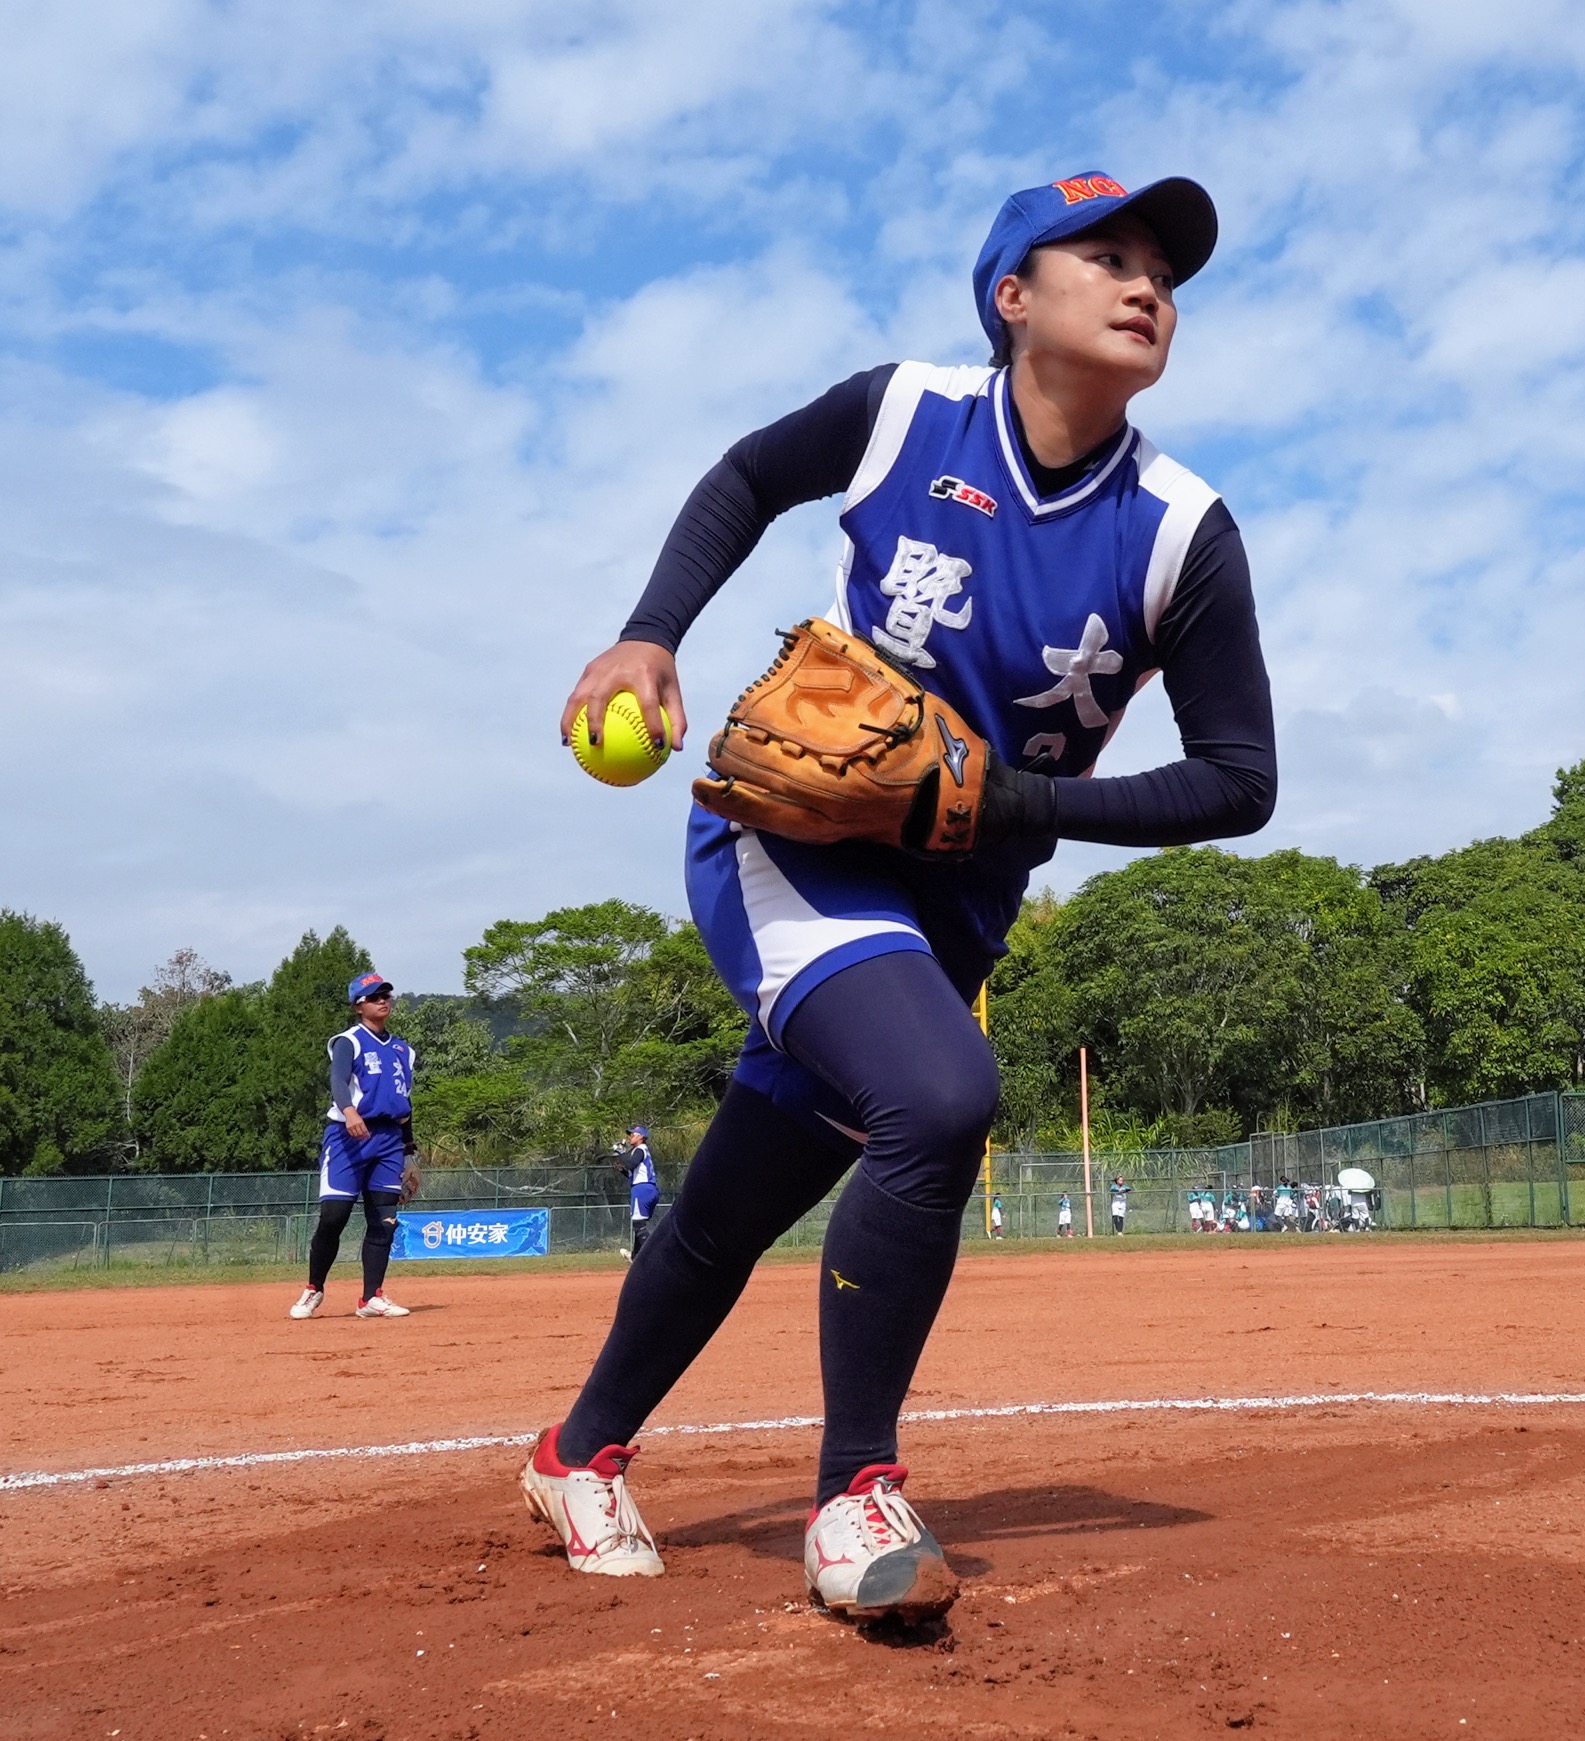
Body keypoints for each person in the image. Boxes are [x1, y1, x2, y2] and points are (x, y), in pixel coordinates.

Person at [519, 172, 1274, 1617]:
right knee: (937, 1096)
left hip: (954, 903)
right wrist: (646, 634)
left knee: (734, 1202)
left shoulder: (1180, 530)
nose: (1145, 287)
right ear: (1011, 297)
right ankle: (855, 1496)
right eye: (1104, 257)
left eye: (1163, 273)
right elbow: (745, 476)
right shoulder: (904, 414)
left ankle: (575, 1449)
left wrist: (1021, 804)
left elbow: (1240, 778)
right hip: (801, 840)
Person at [290, 973, 417, 1320]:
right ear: (358, 1005)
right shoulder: (349, 1041)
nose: (383, 1000)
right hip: (349, 1136)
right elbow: (337, 1079)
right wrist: (348, 1112)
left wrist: (410, 1155)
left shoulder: (404, 1051)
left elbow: (405, 1104)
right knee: (334, 1217)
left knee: (384, 1220)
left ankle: (371, 1298)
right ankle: (314, 1289)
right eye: (375, 996)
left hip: (389, 1140)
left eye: (386, 994)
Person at [621, 1126, 661, 1259]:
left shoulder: (640, 1149)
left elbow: (631, 1164)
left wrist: (621, 1152)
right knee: (639, 1225)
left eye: (633, 1134)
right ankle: (635, 1256)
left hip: (642, 1190)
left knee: (638, 1225)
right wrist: (622, 1170)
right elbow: (633, 1172)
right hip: (648, 1188)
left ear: (641, 1137)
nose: (630, 1137)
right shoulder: (640, 1151)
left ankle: (655, 1258)